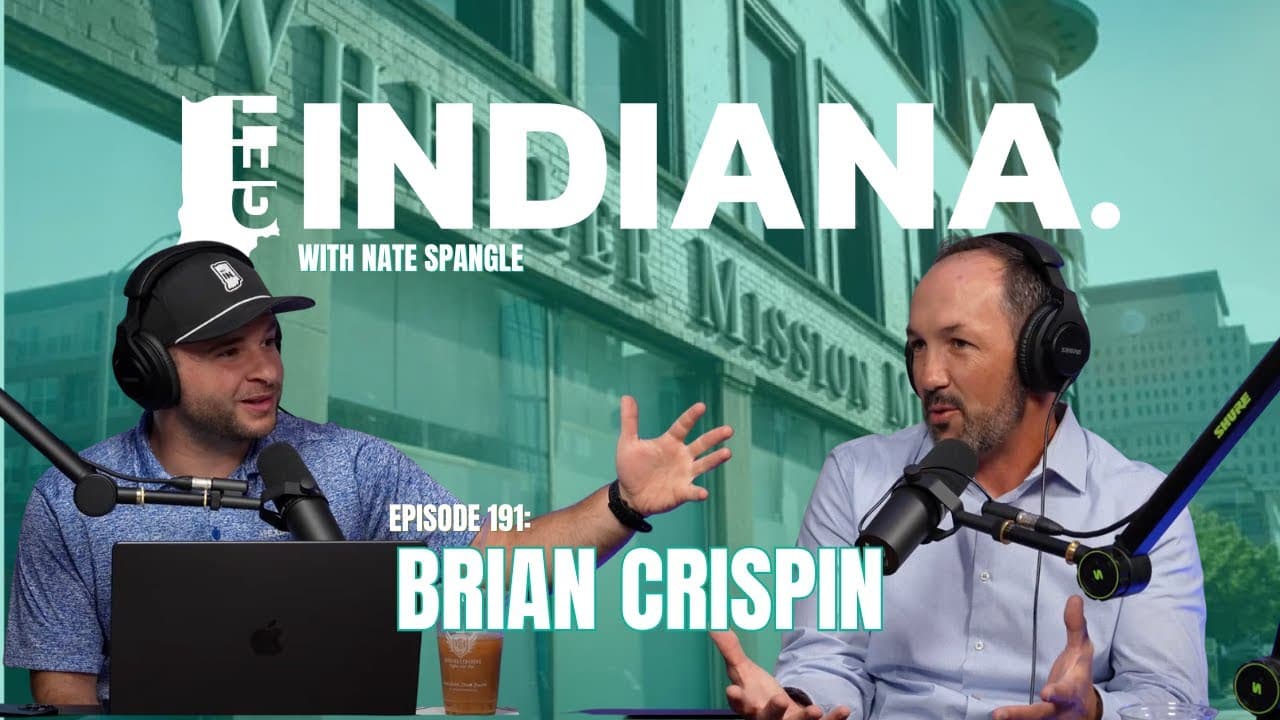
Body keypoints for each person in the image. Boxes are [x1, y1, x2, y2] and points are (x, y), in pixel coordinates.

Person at [5, 241, 733, 706]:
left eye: (271, 341)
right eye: (229, 351)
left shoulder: (354, 465)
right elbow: (63, 689)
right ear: (153, 370)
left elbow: (493, 566)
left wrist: (621, 504)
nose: (266, 369)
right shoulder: (73, 500)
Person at [710, 232, 1208, 720]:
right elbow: (827, 654)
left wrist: (1096, 712)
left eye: (959, 343)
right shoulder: (856, 473)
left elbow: (1174, 700)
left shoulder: (1145, 505)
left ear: (1044, 354)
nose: (929, 376)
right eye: (918, 346)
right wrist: (804, 704)